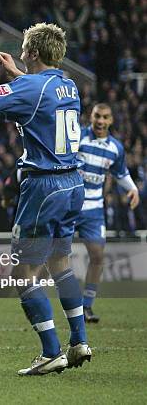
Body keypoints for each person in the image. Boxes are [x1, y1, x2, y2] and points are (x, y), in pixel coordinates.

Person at [0, 23, 90, 375]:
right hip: (73, 183)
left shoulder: (31, 87)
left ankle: (51, 352)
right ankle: (79, 341)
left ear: (31, 52)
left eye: (25, 51)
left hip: (44, 187)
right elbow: (37, 93)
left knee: (23, 274)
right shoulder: (68, 84)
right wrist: (17, 72)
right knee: (60, 263)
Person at [76, 103, 140, 323]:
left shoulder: (115, 148)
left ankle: (86, 307)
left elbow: (120, 172)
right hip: (69, 205)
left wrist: (132, 188)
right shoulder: (77, 137)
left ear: (111, 120)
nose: (100, 121)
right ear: (90, 117)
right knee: (55, 254)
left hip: (93, 209)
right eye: (97, 117)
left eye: (105, 117)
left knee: (97, 256)